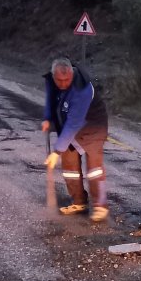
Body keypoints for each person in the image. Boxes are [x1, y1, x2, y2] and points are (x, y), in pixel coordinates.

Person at [42, 58, 109, 222]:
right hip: (71, 124)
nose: (63, 84)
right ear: (54, 76)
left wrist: (56, 151)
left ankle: (100, 206)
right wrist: (48, 119)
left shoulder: (82, 90)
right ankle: (79, 202)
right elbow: (51, 100)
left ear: (72, 74)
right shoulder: (52, 81)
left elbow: (74, 123)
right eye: (59, 80)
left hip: (93, 125)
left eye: (66, 80)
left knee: (94, 168)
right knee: (69, 164)